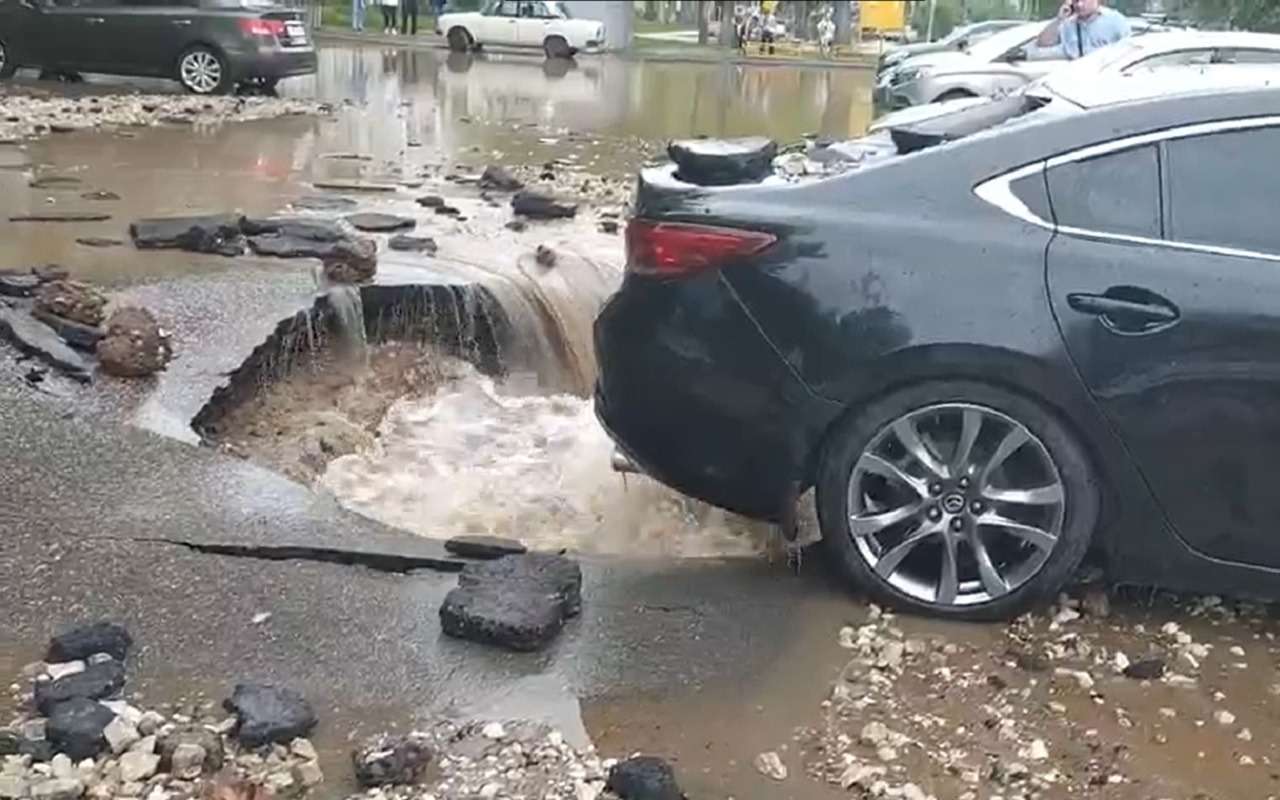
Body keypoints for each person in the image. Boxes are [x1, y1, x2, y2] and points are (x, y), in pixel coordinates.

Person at [1036, 0, 1131, 60]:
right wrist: (1059, 19)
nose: (1080, 5)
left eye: (1084, 0)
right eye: (1076, 1)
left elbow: (1130, 51)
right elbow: (1043, 43)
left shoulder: (1115, 21)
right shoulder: (1067, 23)